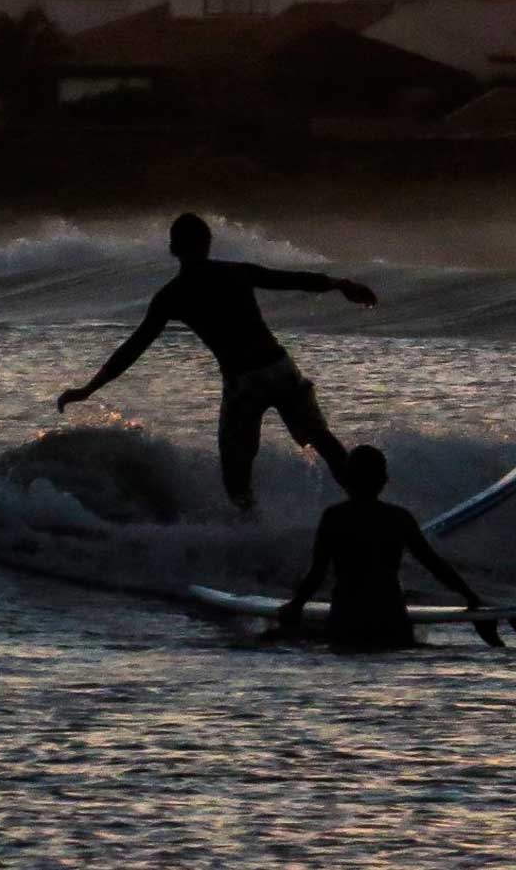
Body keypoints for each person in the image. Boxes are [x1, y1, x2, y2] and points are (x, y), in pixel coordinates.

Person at [54, 213, 378, 510]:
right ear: (207, 244)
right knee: (323, 441)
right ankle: (368, 510)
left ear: (172, 248)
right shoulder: (234, 272)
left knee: (236, 471)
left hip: (244, 382)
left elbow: (133, 348)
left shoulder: (172, 295)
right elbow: (292, 279)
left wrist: (88, 389)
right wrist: (341, 285)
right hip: (279, 368)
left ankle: (248, 532)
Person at [278, 444, 483, 649]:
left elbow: (317, 572)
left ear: (347, 479)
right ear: (384, 480)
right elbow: (434, 564)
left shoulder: (335, 517)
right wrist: (469, 595)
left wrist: (296, 605)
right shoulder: (398, 517)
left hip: (347, 619)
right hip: (391, 618)